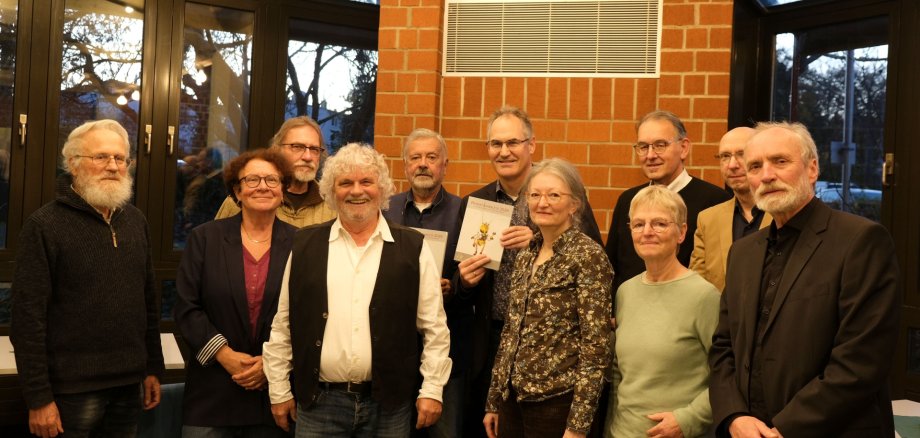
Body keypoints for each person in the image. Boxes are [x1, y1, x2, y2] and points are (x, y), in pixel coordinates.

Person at [709, 122, 900, 437]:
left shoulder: (860, 241)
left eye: (780, 161)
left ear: (812, 169)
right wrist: (733, 416)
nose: (766, 175)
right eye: (755, 166)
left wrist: (783, 429)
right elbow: (723, 347)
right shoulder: (743, 253)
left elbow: (861, 361)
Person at [262, 143, 452, 437]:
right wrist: (278, 390)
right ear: (331, 191)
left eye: (366, 181)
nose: (356, 191)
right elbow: (284, 324)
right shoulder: (304, 245)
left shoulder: (413, 246)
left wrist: (432, 389)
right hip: (318, 405)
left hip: (389, 407)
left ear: (383, 188)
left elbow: (434, 328)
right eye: (345, 183)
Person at [455, 106, 603, 437]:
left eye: (513, 142)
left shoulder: (561, 191)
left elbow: (590, 252)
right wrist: (464, 282)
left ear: (531, 145)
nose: (504, 151)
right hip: (495, 341)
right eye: (496, 144)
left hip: (556, 360)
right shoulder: (475, 202)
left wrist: (537, 238)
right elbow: (457, 282)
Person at [11, 119, 164, 437]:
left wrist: (152, 368)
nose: (113, 166)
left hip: (130, 384)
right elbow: (28, 319)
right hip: (71, 391)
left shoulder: (136, 221)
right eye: (101, 157)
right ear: (73, 164)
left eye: (120, 158)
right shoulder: (44, 226)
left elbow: (149, 300)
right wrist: (38, 398)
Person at [483, 158, 612, 438]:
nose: (543, 202)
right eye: (535, 194)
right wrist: (494, 399)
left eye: (554, 195)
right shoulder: (527, 254)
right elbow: (510, 331)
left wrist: (578, 425)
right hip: (512, 400)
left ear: (574, 204)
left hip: (557, 403)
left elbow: (596, 346)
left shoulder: (587, 257)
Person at [174, 149, 297, 437]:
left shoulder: (302, 243)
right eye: (252, 179)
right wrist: (224, 354)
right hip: (213, 389)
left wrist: (270, 363)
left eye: (272, 179)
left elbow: (308, 314)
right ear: (237, 191)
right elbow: (186, 307)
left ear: (282, 190)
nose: (263, 186)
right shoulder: (205, 238)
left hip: (274, 392)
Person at [604, 185, 719, 438]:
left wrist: (688, 420)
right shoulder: (625, 292)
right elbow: (619, 373)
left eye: (659, 224)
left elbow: (727, 376)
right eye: (638, 224)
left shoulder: (704, 297)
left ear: (682, 232)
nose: (647, 232)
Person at [382, 128, 467, 438]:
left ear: (445, 165)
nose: (422, 164)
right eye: (415, 157)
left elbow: (474, 273)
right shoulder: (384, 210)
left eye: (431, 157)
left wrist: (454, 285)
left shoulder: (463, 211)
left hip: (447, 351)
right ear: (404, 165)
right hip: (392, 350)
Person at [604, 111, 731, 293]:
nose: (650, 155)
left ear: (684, 148)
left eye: (660, 145)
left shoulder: (715, 201)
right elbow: (613, 266)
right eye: (643, 147)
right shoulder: (628, 200)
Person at [690, 127, 773, 291]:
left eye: (741, 154)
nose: (732, 165)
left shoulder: (784, 214)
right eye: (725, 156)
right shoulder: (708, 219)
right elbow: (697, 287)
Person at [215, 116, 336, 227]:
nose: (308, 157)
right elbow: (215, 243)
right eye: (297, 147)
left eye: (314, 149)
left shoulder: (333, 205)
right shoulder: (244, 198)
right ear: (277, 150)